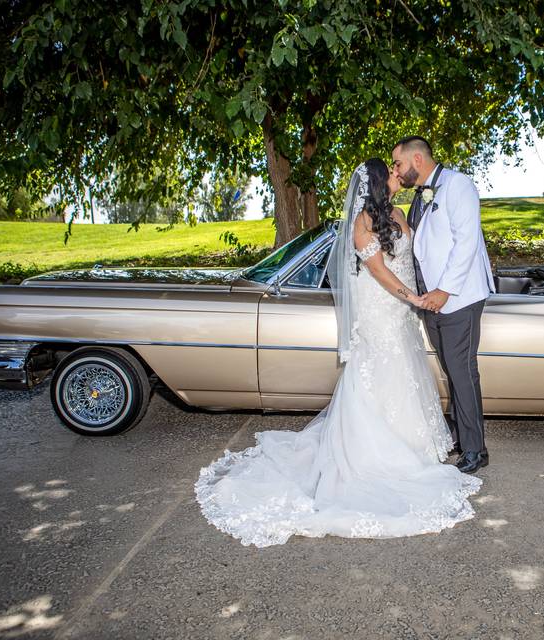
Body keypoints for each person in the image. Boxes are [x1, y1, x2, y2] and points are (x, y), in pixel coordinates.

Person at [194, 158, 481, 549]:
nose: (400, 174)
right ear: (381, 182)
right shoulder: (362, 222)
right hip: (382, 305)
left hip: (403, 310)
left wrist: (438, 288)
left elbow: (425, 249)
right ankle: (383, 454)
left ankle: (416, 445)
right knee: (380, 370)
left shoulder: (400, 211)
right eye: (394, 171)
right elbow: (379, 270)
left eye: (400, 168)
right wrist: (413, 297)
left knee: (406, 372)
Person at [391, 136, 495, 473]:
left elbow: (467, 242)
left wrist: (445, 291)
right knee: (453, 369)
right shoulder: (419, 198)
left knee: (463, 372)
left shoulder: (458, 185)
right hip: (430, 301)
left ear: (417, 160)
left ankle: (475, 450)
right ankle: (463, 435)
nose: (397, 170)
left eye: (399, 164)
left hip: (458, 297)